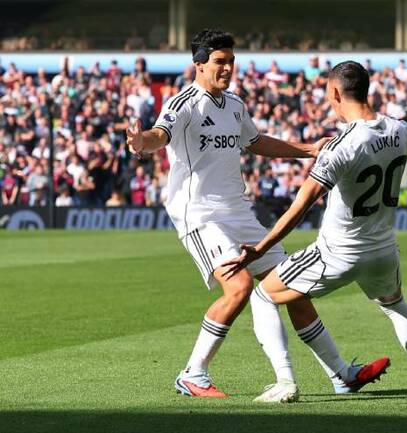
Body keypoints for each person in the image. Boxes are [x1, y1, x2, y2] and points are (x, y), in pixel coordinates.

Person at [126, 30, 387, 403]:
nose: (227, 68)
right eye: (219, 62)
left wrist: (307, 149)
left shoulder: (234, 104)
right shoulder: (184, 102)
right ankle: (192, 374)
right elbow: (159, 134)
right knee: (240, 287)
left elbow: (256, 142)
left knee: (291, 287)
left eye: (231, 61)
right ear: (198, 65)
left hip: (239, 212)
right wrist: (141, 143)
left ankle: (341, 374)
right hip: (201, 214)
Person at [223, 61, 407, 399]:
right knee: (396, 306)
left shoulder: (343, 146)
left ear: (336, 93)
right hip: (383, 252)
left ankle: (285, 383)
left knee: (264, 295)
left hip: (336, 253)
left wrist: (261, 248)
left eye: (328, 95)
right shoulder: (402, 130)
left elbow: (300, 206)